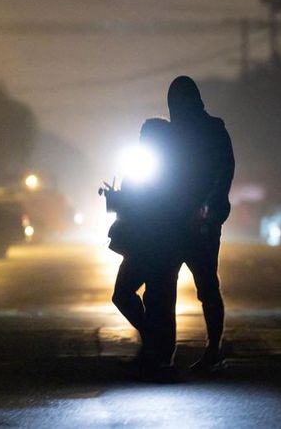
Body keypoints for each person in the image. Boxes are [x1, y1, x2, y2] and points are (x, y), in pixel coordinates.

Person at [109, 118, 186, 380]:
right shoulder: (152, 166)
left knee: (157, 299)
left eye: (147, 135)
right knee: (141, 297)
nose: (143, 140)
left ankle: (159, 357)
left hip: (157, 244)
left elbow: (152, 204)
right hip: (146, 243)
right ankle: (154, 350)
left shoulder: (169, 168)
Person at [167, 75, 234, 372]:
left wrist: (209, 206)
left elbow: (224, 173)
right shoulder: (172, 136)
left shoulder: (213, 131)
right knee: (164, 283)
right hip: (172, 219)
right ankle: (163, 347)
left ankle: (214, 347)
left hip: (202, 221)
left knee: (207, 284)